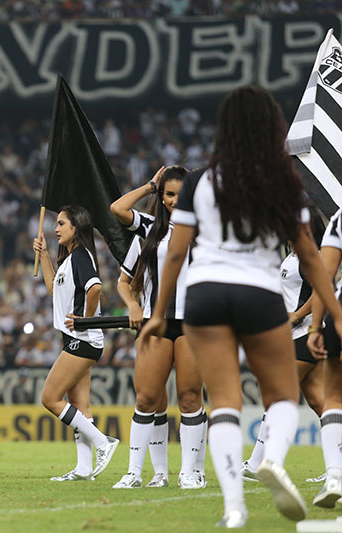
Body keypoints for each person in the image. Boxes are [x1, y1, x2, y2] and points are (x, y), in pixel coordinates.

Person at [139, 85, 342, 528]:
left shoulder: (199, 181)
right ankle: (272, 459)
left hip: (206, 294)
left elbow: (175, 252)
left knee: (225, 402)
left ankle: (233, 508)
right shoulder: (284, 182)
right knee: (283, 396)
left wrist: (158, 311)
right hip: (260, 293)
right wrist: (335, 311)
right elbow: (310, 255)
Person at [110, 166, 208, 490]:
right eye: (169, 194)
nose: (174, 201)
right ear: (161, 196)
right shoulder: (150, 230)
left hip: (195, 322)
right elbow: (118, 209)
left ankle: (192, 471)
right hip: (156, 322)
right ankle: (135, 472)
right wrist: (150, 185)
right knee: (147, 399)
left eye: (182, 194)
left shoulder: (207, 229)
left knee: (191, 398)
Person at [32, 205, 119, 481]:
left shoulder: (81, 255)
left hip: (81, 339)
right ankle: (84, 469)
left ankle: (104, 442)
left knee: (50, 398)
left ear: (76, 227)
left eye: (61, 223)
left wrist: (84, 318)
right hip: (79, 339)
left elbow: (95, 287)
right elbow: (52, 290)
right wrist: (44, 255)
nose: (55, 228)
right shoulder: (70, 259)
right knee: (79, 405)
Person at [243, 207, 327, 483]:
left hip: (304, 333)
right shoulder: (292, 254)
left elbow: (322, 291)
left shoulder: (307, 255)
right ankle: (337, 468)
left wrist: (297, 316)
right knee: (320, 401)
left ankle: (257, 464)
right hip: (299, 334)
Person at [307, 207, 342, 507]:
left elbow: (324, 276)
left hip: (339, 311)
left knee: (334, 398)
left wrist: (316, 326)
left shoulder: (340, 217)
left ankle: (334, 476)